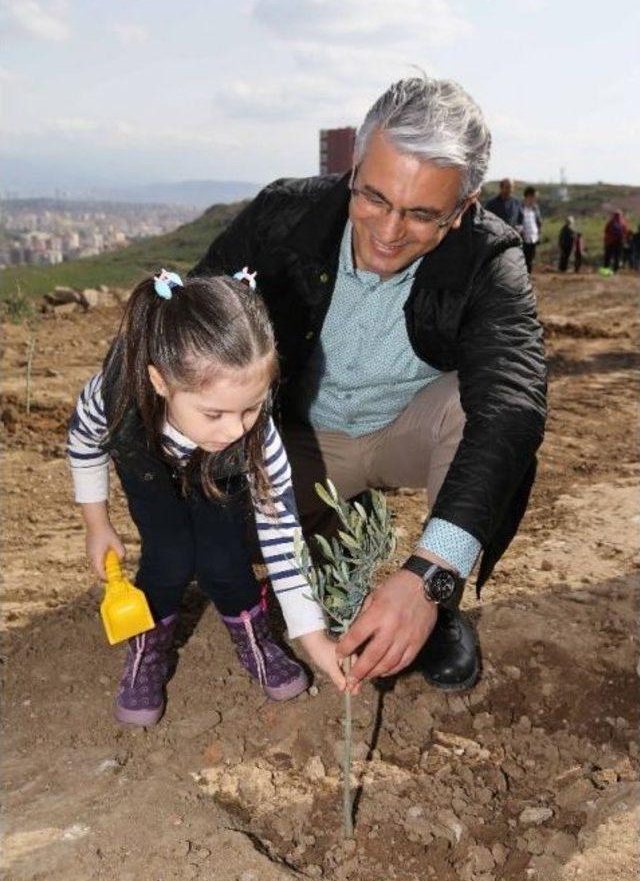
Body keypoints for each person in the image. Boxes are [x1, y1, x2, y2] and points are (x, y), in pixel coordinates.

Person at [193, 75, 547, 695]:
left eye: (419, 214)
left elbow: (512, 404)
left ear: (462, 209)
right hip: (295, 441)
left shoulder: (491, 258)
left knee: (483, 408)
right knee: (213, 539)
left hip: (405, 430)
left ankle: (432, 609)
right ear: (354, 168)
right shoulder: (285, 216)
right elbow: (189, 323)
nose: (387, 231)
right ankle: (333, 532)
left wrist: (429, 576)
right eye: (375, 197)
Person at [68, 270, 345, 727]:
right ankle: (148, 649)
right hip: (148, 465)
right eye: (213, 413)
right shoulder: (115, 394)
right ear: (160, 382)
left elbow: (282, 539)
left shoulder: (254, 440)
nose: (235, 429)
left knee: (223, 559)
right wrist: (96, 524)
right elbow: (82, 444)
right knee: (168, 557)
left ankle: (255, 638)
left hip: (220, 476)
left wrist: (314, 639)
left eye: (251, 408)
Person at [520, 186, 542, 274]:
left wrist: (539, 234)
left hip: (533, 238)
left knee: (530, 260)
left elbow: (538, 222)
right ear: (529, 196)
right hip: (522, 238)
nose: (535, 199)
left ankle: (528, 278)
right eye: (534, 197)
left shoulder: (535, 208)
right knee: (523, 260)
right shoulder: (519, 207)